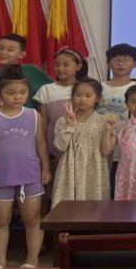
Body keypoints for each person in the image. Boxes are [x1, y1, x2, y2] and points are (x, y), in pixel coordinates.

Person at [0, 66, 51, 269]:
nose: (17, 97)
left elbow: (41, 143)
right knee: (0, 220)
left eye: (22, 92)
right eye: (11, 93)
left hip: (30, 176)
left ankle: (32, 260)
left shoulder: (34, 115)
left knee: (32, 219)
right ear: (0, 93)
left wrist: (46, 168)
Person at [52, 78, 114, 206]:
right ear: (72, 97)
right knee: (66, 210)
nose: (82, 99)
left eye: (88, 96)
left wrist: (108, 130)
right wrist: (69, 125)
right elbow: (60, 147)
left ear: (98, 98)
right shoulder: (63, 120)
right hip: (68, 171)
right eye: (78, 95)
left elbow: (106, 151)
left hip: (94, 172)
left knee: (94, 209)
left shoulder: (104, 122)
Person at [34, 47, 87, 180]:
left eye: (66, 64)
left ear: (78, 66)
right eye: (57, 65)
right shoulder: (46, 90)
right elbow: (44, 122)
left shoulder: (86, 88)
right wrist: (42, 146)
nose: (60, 68)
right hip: (55, 145)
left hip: (81, 146)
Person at [97, 43, 136, 194]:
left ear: (135, 63)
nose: (120, 63)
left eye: (126, 60)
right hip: (99, 143)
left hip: (125, 148)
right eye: (116, 59)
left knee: (120, 189)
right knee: (101, 189)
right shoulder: (98, 88)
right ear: (108, 63)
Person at [0, 34, 54, 105]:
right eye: (0, 48)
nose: (3, 52)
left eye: (10, 50)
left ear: (21, 54)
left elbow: (54, 87)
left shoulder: (32, 70)